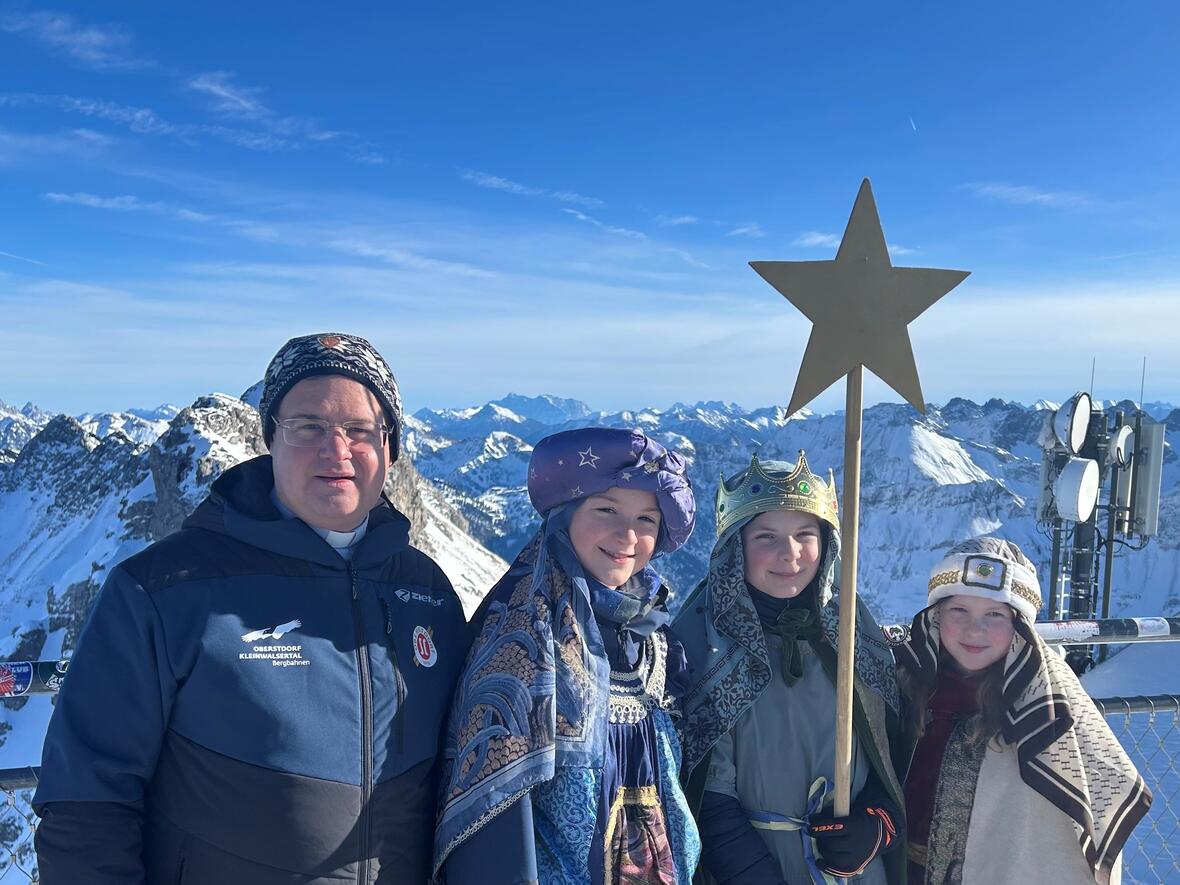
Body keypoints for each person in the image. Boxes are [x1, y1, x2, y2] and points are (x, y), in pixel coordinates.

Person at [33, 332, 471, 884]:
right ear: (270, 439)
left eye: (359, 430)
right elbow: (86, 803)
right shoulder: (163, 590)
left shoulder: (428, 592)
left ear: (390, 448)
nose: (336, 450)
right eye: (308, 426)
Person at [434, 427, 701, 885]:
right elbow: (494, 808)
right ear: (566, 513)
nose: (628, 535)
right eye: (606, 510)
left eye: (647, 519)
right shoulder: (524, 638)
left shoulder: (654, 640)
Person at [675, 451, 906, 885]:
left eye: (805, 534)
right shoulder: (705, 643)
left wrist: (876, 827)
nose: (791, 554)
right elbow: (706, 792)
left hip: (854, 872)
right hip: (754, 867)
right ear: (735, 547)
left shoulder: (852, 632)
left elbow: (889, 756)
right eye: (767, 537)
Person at [897, 537, 1152, 885]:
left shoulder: (1046, 699)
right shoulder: (908, 681)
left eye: (995, 614)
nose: (975, 629)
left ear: (1019, 625)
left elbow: (1098, 791)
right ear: (936, 615)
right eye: (959, 610)